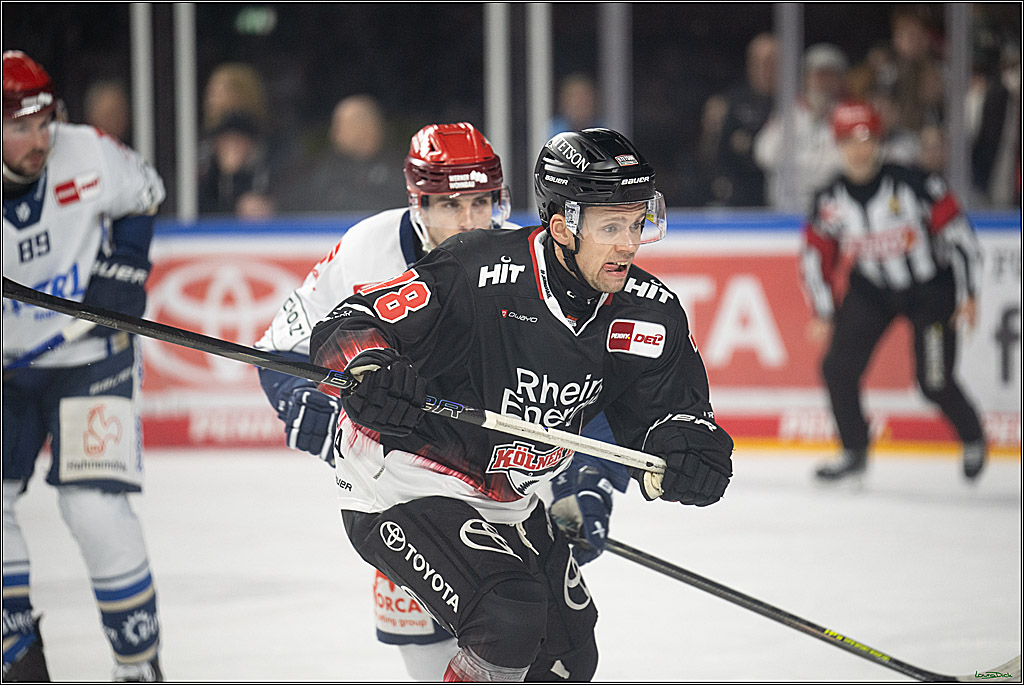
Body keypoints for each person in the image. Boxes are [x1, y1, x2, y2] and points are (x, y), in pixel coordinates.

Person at [307, 128, 734, 681]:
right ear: (562, 226)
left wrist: (686, 452)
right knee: (507, 616)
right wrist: (367, 368)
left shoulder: (648, 311)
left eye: (637, 222)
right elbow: (350, 326)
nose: (630, 243)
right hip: (403, 478)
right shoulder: (477, 269)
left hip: (509, 495)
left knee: (570, 654)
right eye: (611, 227)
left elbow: (669, 412)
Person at [256, 122, 629, 680]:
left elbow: (592, 393)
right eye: (452, 205)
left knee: (562, 653)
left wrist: (590, 487)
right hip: (404, 492)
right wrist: (317, 412)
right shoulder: (367, 250)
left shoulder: (533, 264)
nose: (471, 221)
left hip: (501, 492)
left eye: (483, 202)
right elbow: (281, 349)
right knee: (456, 651)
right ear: (418, 204)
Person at [2, 51, 166, 681]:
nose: (40, 141)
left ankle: (139, 667)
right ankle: (17, 657)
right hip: (8, 374)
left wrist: (125, 264)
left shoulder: (88, 152)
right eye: (20, 127)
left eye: (45, 123)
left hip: (90, 355)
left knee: (94, 507)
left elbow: (145, 192)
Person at [799, 101, 987, 483]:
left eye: (865, 137)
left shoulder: (917, 184)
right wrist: (823, 311)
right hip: (872, 292)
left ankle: (973, 437)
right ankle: (854, 451)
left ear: (879, 140)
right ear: (837, 145)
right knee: (837, 368)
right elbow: (815, 255)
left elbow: (961, 238)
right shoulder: (830, 199)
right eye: (848, 140)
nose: (858, 149)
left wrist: (967, 294)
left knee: (934, 382)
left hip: (931, 292)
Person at [754, 43, 849, 212]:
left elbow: (849, 164)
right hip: (786, 210)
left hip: (835, 211)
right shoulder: (789, 114)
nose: (823, 83)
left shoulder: (849, 115)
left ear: (840, 79)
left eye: (830, 75)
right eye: (818, 75)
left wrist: (798, 166)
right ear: (806, 78)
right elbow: (764, 154)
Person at [274, 94, 406, 214]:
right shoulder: (321, 168)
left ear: (367, 128)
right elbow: (291, 200)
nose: (334, 133)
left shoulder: (402, 172)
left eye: (341, 125)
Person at [706, 32, 778, 207]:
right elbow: (712, 156)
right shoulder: (729, 102)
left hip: (782, 198)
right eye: (758, 62)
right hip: (739, 200)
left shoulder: (795, 104)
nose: (763, 69)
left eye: (770, 63)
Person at [197, 110, 276, 219]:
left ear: (251, 145)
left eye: (236, 142)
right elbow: (198, 209)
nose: (229, 149)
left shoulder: (267, 173)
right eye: (223, 142)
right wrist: (235, 209)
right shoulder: (208, 174)